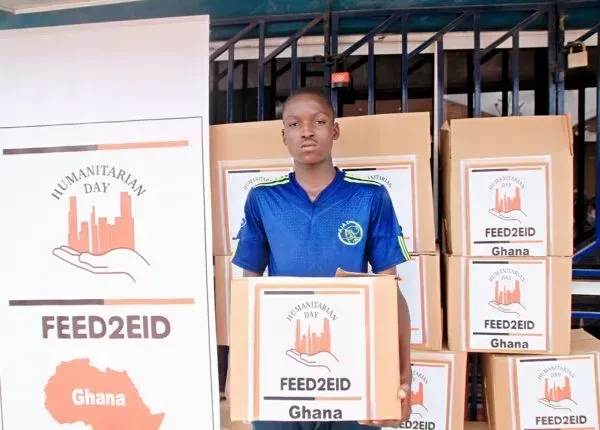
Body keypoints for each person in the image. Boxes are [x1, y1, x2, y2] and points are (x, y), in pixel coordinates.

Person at [231, 87, 412, 430]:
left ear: (335, 130)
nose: (308, 131)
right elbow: (248, 294)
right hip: (280, 364)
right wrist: (238, 371)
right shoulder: (262, 199)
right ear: (283, 135)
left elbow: (389, 292)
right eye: (295, 124)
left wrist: (404, 374)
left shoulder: (369, 196)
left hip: (354, 362)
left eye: (319, 121)